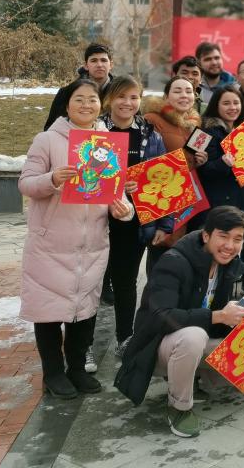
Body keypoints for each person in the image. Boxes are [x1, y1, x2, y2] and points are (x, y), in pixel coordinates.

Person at [115, 206, 244, 438]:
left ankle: (197, 380)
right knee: (194, 336)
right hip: (153, 348)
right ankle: (179, 408)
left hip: (194, 343)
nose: (230, 245)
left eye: (237, 239)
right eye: (223, 236)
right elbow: (160, 316)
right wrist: (218, 316)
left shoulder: (227, 265)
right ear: (206, 236)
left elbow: (222, 318)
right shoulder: (173, 261)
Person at [20, 80, 136, 400]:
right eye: (79, 99)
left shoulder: (109, 143)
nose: (86, 105)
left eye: (92, 100)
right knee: (48, 312)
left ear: (101, 105)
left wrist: (124, 209)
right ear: (67, 104)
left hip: (92, 244)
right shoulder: (47, 140)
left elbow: (114, 192)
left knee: (83, 310)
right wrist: (52, 178)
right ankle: (53, 373)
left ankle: (76, 369)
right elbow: (26, 184)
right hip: (50, 244)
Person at [97, 76, 168, 361]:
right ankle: (83, 345)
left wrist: (164, 223)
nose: (127, 103)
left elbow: (161, 179)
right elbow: (82, 175)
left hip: (133, 220)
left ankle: (124, 337)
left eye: (134, 97)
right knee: (92, 281)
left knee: (125, 281)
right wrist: (112, 183)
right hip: (94, 218)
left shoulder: (150, 134)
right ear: (109, 99)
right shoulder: (95, 131)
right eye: (121, 96)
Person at [142, 76, 207, 263]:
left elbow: (190, 159)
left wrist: (200, 160)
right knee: (161, 251)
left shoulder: (195, 123)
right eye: (177, 91)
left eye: (188, 91)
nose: (184, 95)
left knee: (180, 252)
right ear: (166, 97)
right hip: (162, 194)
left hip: (187, 195)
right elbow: (149, 160)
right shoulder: (153, 119)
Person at [196, 84, 244, 221]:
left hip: (240, 199)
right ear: (216, 106)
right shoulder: (206, 131)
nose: (233, 107)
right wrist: (222, 163)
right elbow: (203, 170)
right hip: (217, 203)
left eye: (236, 103)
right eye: (226, 103)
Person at [44, 43, 115, 130]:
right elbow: (51, 128)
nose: (99, 65)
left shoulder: (121, 92)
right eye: (94, 61)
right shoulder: (67, 92)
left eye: (103, 60)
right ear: (86, 65)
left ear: (111, 65)